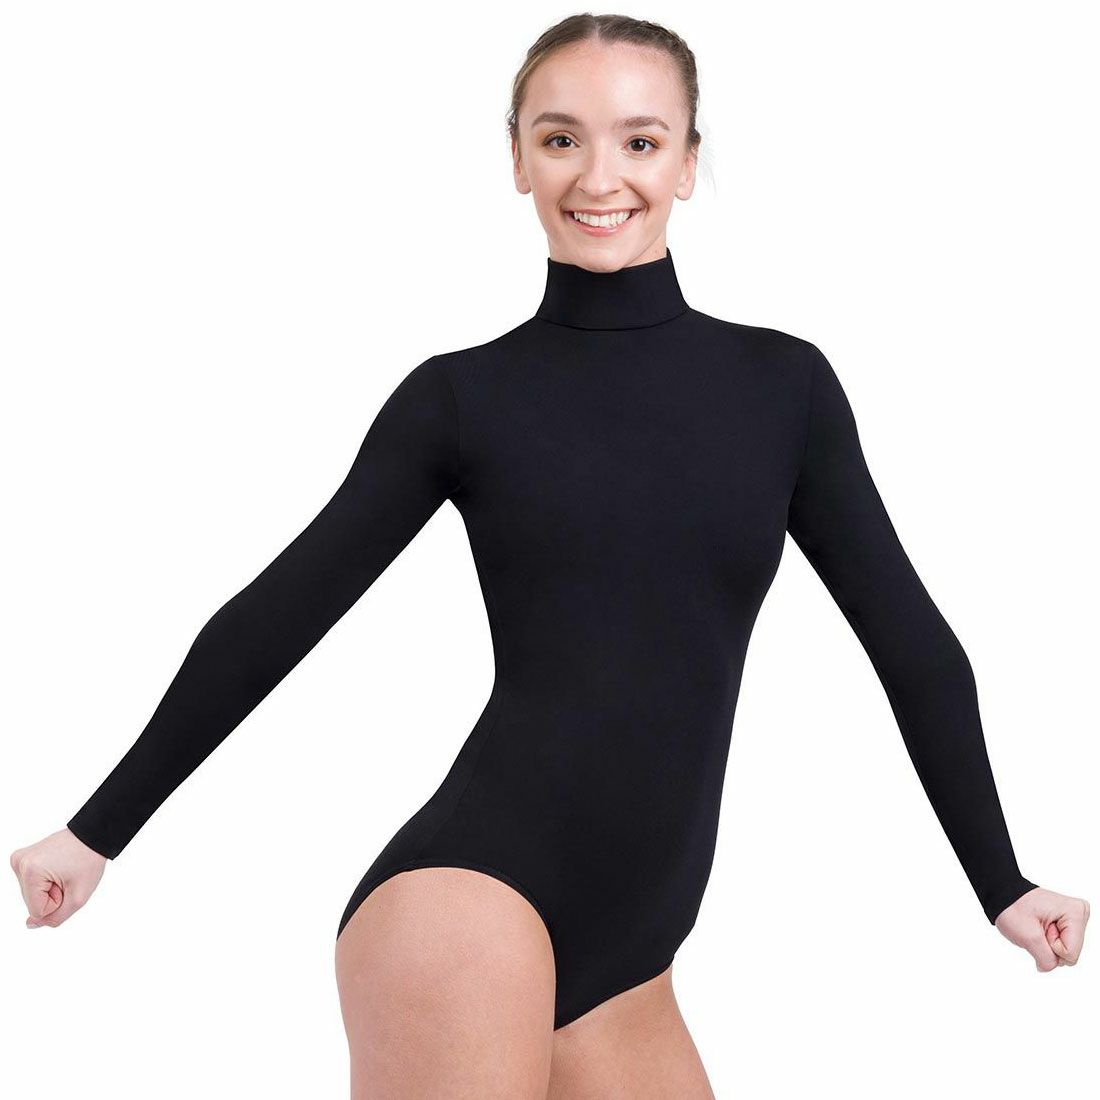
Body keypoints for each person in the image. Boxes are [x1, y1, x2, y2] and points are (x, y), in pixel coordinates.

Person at [10, 13, 1090, 1099]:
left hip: (635, 961)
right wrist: (95, 833)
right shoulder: (460, 398)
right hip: (462, 911)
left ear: (686, 162)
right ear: (518, 158)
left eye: (639, 140)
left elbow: (911, 641)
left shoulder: (784, 388)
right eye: (561, 137)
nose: (599, 176)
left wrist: (997, 878)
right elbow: (278, 614)